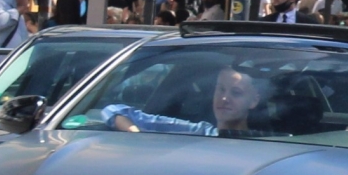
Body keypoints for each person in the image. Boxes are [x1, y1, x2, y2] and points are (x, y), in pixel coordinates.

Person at [92, 65, 262, 135]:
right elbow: (113, 110)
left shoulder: (268, 141)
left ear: (254, 101)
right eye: (221, 90)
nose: (224, 98)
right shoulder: (198, 132)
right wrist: (137, 136)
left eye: (236, 93)